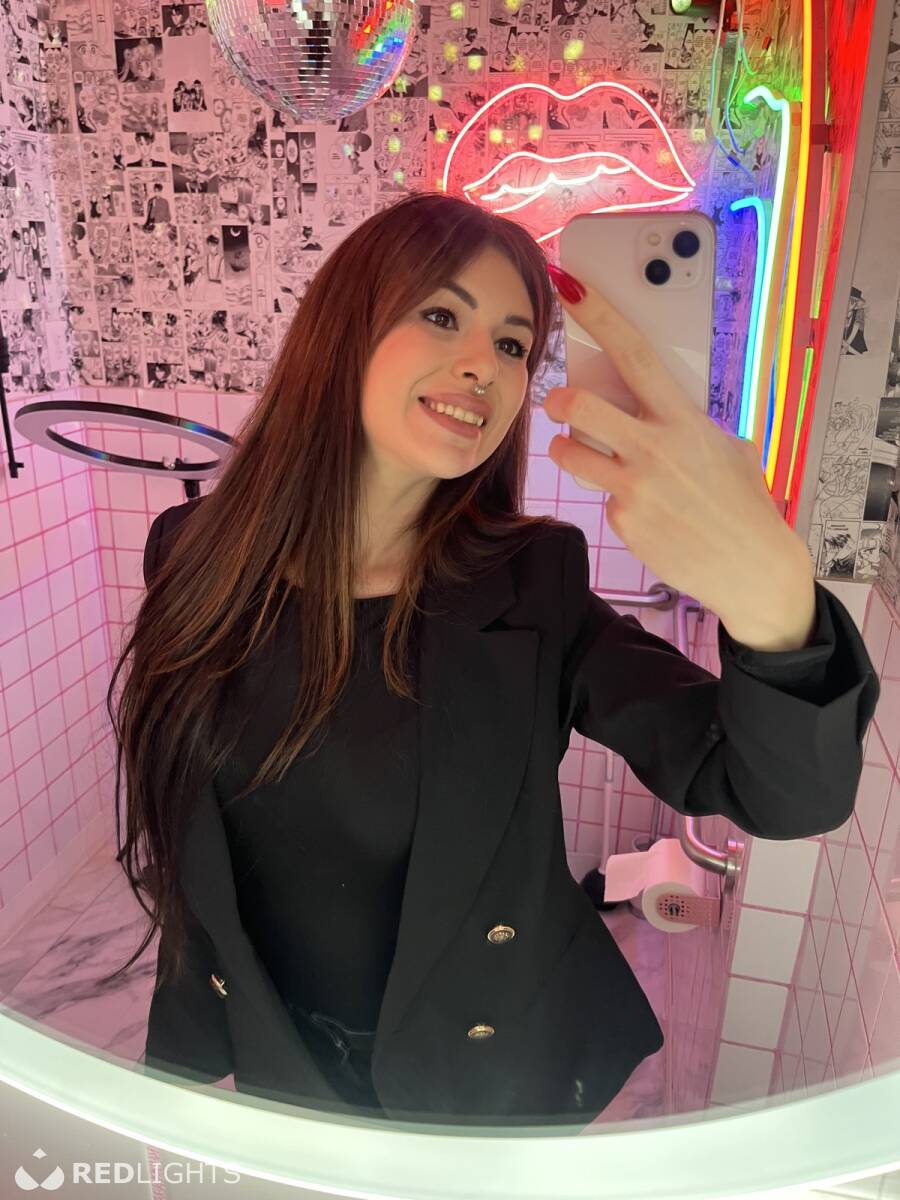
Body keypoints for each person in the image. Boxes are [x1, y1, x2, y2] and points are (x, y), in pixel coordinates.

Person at [102, 191, 879, 1130]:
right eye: (442, 316)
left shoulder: (531, 585)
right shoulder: (192, 552)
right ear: (343, 330)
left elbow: (780, 794)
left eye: (514, 344)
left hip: (479, 1080)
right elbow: (196, 853)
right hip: (288, 1070)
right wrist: (193, 1055)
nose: (486, 366)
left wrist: (774, 601)